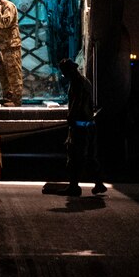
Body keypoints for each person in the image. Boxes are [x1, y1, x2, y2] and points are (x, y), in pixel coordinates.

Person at [45, 58, 107, 197]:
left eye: (64, 72)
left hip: (80, 127)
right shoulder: (85, 81)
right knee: (91, 157)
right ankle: (99, 183)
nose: (64, 75)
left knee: (74, 157)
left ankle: (74, 187)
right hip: (90, 125)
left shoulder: (77, 83)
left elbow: (77, 103)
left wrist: (70, 119)